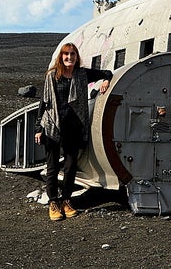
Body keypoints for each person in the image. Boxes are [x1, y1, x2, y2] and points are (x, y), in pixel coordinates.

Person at [34, 43, 113, 221]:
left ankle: (66, 201)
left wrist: (107, 81)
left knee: (70, 168)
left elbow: (106, 73)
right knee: (53, 168)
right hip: (52, 125)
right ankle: (53, 203)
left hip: (73, 127)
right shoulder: (52, 76)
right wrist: (38, 128)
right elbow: (44, 103)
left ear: (76, 57)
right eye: (66, 54)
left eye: (72, 54)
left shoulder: (82, 74)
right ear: (61, 57)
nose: (69, 57)